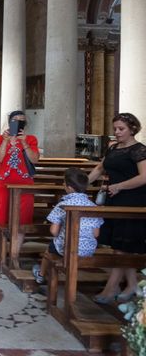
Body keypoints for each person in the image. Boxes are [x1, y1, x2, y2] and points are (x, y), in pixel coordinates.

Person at [87, 112, 146, 303]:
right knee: (118, 246)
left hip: (133, 200)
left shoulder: (139, 150)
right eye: (115, 129)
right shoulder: (113, 148)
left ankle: (110, 289)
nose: (117, 132)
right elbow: (99, 169)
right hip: (114, 199)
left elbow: (144, 177)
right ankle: (132, 285)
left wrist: (119, 186)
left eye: (121, 129)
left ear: (132, 129)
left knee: (123, 247)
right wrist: (80, 185)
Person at [32, 168, 103, 285]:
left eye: (64, 183)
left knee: (49, 250)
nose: (63, 185)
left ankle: (41, 275)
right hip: (88, 250)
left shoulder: (62, 205)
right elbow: (96, 234)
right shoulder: (93, 206)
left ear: (69, 188)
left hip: (66, 248)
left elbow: (54, 231)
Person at [0, 110, 39, 268]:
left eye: (22, 121)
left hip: (24, 184)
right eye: (16, 120)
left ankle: (14, 255)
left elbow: (35, 160)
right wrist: (6, 141)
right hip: (3, 183)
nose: (19, 123)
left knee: (23, 219)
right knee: (1, 218)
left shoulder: (31, 139)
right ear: (10, 122)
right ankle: (1, 252)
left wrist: (24, 143)